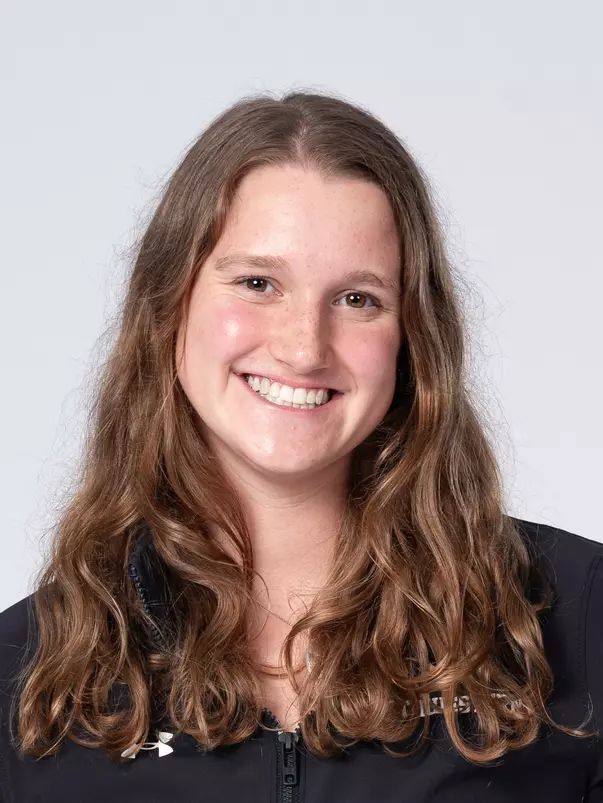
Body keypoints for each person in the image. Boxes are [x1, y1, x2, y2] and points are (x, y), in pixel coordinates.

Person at [0, 90, 601, 803]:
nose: (302, 346)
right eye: (258, 283)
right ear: (170, 306)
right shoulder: (24, 671)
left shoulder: (574, 618)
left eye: (357, 299)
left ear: (412, 338)